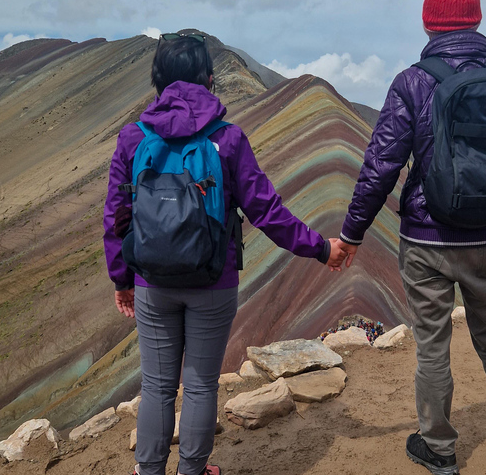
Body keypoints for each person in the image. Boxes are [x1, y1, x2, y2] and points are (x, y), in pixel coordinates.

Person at [103, 31, 346, 475]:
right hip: (213, 283)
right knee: (198, 385)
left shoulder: (132, 139)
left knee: (157, 385)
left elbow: (115, 217)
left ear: (157, 80)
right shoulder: (228, 140)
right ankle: (193, 471)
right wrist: (320, 248)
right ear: (210, 80)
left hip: (152, 283)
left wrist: (122, 279)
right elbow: (266, 212)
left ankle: (149, 472)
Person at [335, 0, 486, 474]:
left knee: (432, 344)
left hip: (425, 240)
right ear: (475, 20)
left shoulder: (413, 81)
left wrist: (351, 234)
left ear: (429, 23)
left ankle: (439, 447)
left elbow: (381, 165)